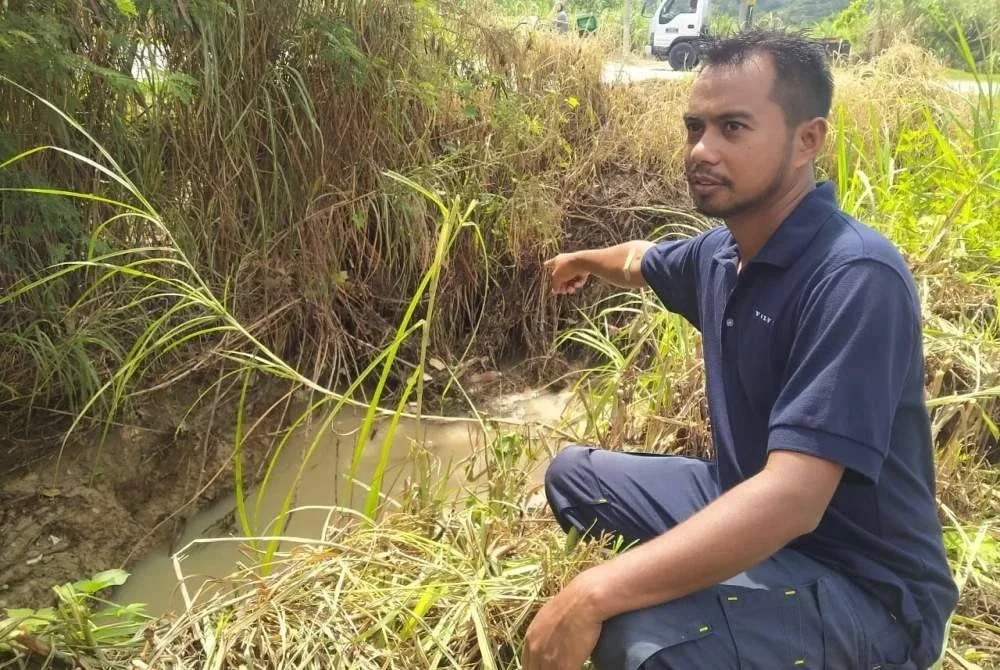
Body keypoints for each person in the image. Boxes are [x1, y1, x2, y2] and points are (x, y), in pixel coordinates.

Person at [524, 30, 958, 670]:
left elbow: (792, 499)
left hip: (866, 584)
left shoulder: (856, 277)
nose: (702, 149)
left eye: (733, 127)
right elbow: (643, 260)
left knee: (635, 639)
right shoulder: (723, 252)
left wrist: (591, 592)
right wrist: (582, 259)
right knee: (573, 478)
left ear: (808, 139)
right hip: (741, 491)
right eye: (694, 127)